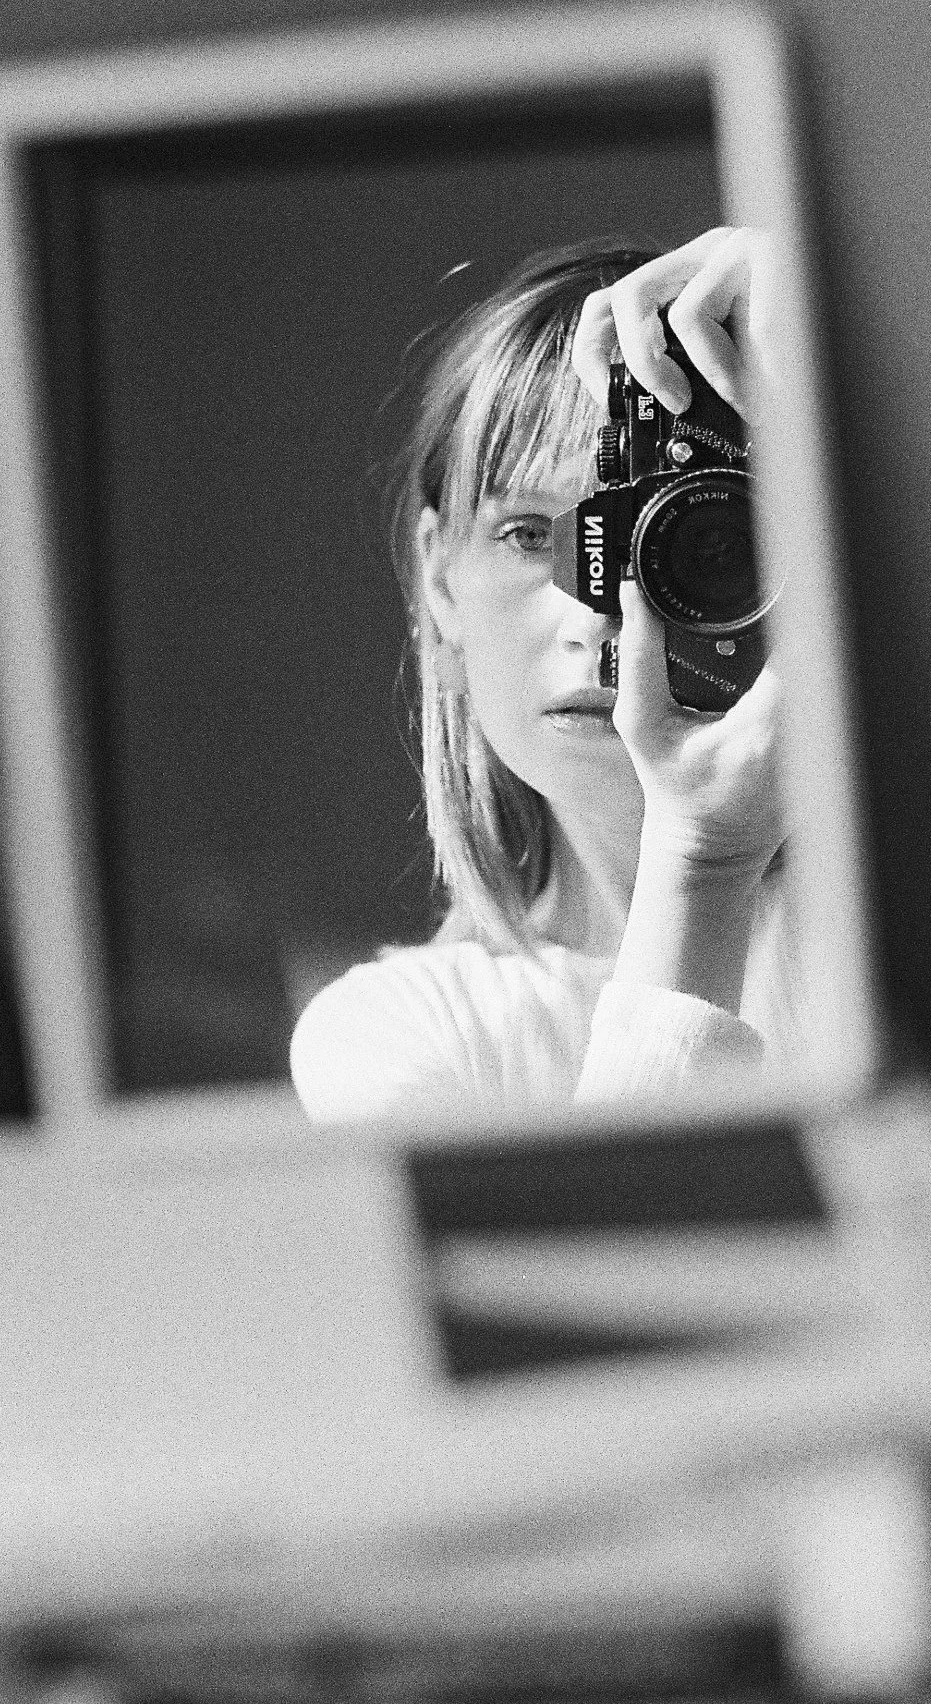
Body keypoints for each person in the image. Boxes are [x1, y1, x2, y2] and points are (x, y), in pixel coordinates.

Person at [290, 227, 806, 1123]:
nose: (595, 614)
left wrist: (847, 341)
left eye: (683, 536)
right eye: (531, 535)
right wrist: (701, 863)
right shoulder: (398, 1037)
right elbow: (644, 1263)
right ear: (438, 581)